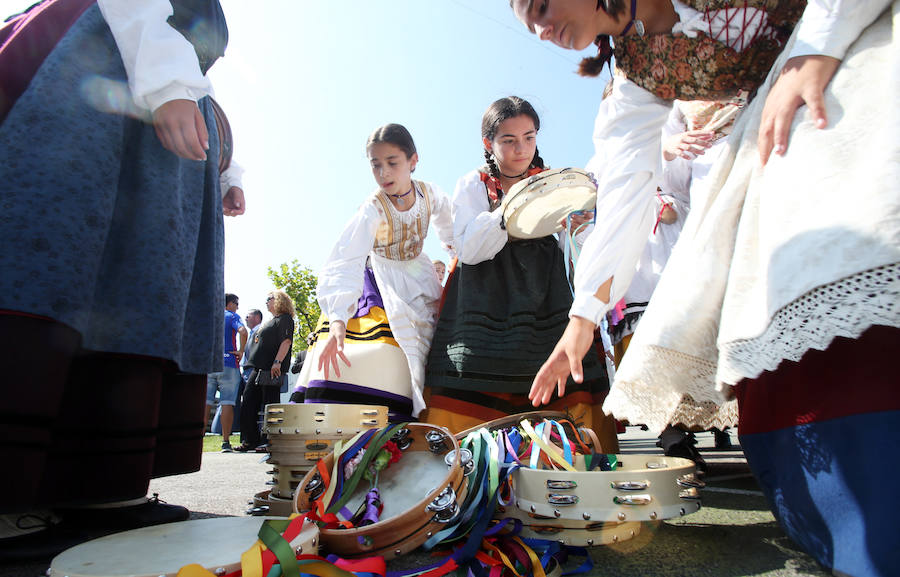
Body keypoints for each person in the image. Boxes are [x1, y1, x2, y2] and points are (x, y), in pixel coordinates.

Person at [514, 1, 898, 574]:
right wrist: (582, 318)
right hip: (774, 116)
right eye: (530, 27)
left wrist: (816, 47)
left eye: (541, 7)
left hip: (852, 43)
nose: (542, 32)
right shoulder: (632, 81)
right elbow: (624, 193)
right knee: (759, 271)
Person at [0, 0, 236, 560]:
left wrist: (227, 168)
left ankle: (97, 482)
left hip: (148, 113)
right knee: (54, 252)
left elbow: (193, 61)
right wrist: (169, 84)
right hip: (92, 79)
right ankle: (8, 497)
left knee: (134, 286)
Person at [422, 96, 615, 449]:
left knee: (560, 372)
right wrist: (512, 209)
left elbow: (573, 246)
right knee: (476, 372)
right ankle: (474, 460)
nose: (520, 148)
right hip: (484, 295)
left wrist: (579, 225)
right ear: (488, 144)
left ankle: (565, 455)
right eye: (508, 140)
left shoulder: (553, 181)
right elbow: (468, 249)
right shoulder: (474, 183)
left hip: (545, 293)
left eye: (529, 137)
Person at [306, 124, 454, 422]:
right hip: (383, 280)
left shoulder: (429, 194)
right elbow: (346, 257)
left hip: (421, 274)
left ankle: (432, 422)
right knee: (392, 350)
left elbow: (451, 228)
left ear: (413, 161)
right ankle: (390, 422)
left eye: (392, 163)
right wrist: (338, 319)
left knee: (438, 344)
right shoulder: (372, 209)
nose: (384, 173)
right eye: (376, 165)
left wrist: (457, 254)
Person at [235, 290, 295, 452]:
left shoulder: (285, 319)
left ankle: (269, 441)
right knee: (248, 401)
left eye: (269, 299)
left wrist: (277, 362)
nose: (266, 302)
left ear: (279, 301)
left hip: (272, 368)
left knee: (270, 404)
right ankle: (250, 440)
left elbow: (286, 341)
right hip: (258, 367)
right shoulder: (271, 321)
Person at [205, 293, 247, 452]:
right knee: (227, 403)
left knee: (206, 402)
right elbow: (243, 331)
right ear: (230, 303)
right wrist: (241, 350)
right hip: (229, 363)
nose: (237, 307)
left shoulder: (210, 316)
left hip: (209, 364)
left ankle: (199, 438)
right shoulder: (232, 316)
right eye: (236, 304)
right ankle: (225, 442)